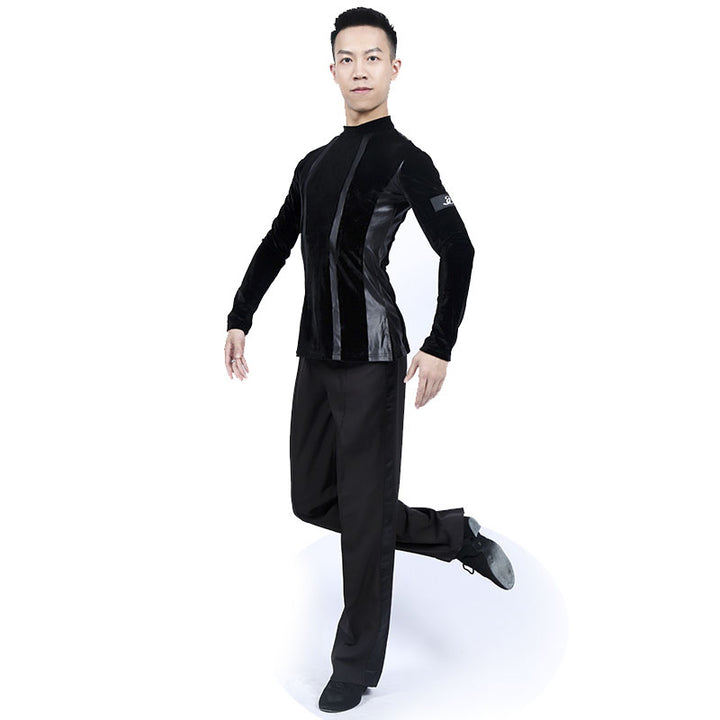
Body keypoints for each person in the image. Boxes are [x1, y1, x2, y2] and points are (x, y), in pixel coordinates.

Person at [224, 7, 515, 713]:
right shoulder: (312, 164)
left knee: (361, 516)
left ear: (394, 67)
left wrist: (440, 343)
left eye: (373, 57)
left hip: (374, 357)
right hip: (315, 353)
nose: (360, 70)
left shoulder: (406, 159)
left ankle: (354, 667)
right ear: (332, 70)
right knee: (313, 499)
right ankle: (452, 534)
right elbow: (277, 242)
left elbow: (459, 249)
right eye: (347, 58)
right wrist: (240, 315)